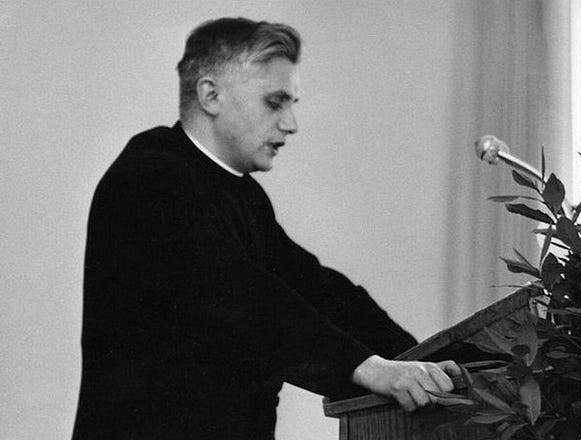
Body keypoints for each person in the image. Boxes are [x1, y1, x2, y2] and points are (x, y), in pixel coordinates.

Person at [72, 17, 459, 439]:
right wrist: (369, 368)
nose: (291, 124)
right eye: (275, 103)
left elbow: (317, 290)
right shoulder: (150, 176)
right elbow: (243, 299)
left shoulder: (241, 192)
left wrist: (423, 359)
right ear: (210, 95)